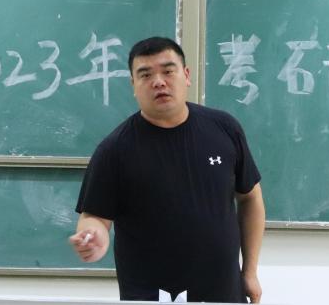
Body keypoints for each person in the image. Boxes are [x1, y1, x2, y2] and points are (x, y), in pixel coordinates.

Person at [69, 36, 265, 303]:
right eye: (145, 75)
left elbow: (251, 198)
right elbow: (94, 217)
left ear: (186, 75)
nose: (158, 82)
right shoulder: (115, 149)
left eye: (168, 71)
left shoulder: (224, 129)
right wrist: (93, 236)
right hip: (151, 296)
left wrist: (250, 271)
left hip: (223, 293)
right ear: (133, 85)